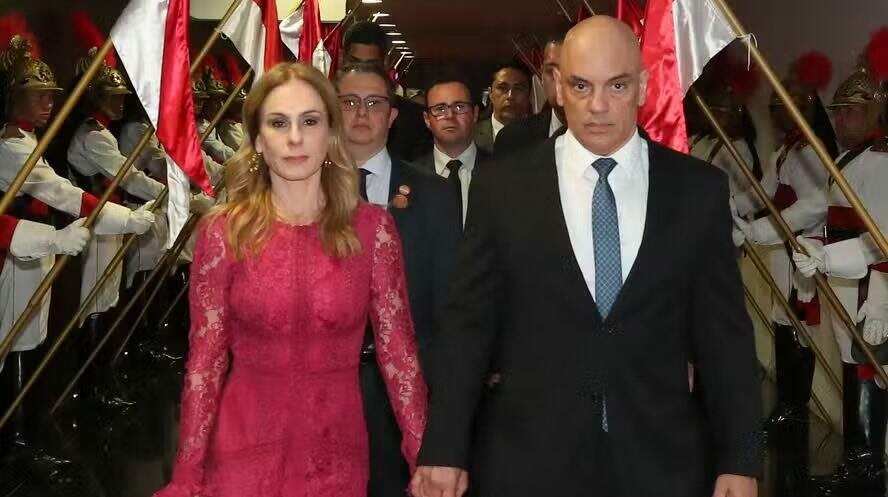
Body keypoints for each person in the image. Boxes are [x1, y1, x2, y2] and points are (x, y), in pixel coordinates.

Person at [412, 17, 761, 497]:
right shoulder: (504, 188)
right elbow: (468, 325)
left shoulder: (696, 191)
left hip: (660, 461)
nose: (598, 106)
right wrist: (444, 447)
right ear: (558, 86)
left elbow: (725, 337)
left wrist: (741, 459)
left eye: (617, 85)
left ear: (643, 86)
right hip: (531, 459)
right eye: (581, 86)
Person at [153, 62, 427, 497]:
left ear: (330, 133)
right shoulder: (224, 233)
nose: (295, 138)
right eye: (279, 123)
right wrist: (188, 473)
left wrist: (423, 457)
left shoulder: (372, 231)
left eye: (310, 121)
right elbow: (205, 362)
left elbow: (399, 355)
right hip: (241, 455)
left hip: (336, 459)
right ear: (259, 139)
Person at [337, 61, 460, 497]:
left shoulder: (435, 193)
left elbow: (449, 302)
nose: (361, 113)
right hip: (328, 385)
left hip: (410, 386)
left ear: (392, 116)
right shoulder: (304, 192)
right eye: (349, 102)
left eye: (374, 103)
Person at [731, 53, 837, 497]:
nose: (778, 114)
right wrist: (736, 206)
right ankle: (788, 403)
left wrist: (761, 229)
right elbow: (765, 191)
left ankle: (797, 402)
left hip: (803, 248)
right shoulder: (786, 150)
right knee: (780, 320)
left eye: (785, 106)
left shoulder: (813, 150)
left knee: (799, 327)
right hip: (780, 247)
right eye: (774, 107)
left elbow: (812, 207)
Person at [792, 33, 888, 495]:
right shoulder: (850, 158)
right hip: (844, 279)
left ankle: (866, 466)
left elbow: (881, 241)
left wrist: (829, 256)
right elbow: (824, 214)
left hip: (870, 287)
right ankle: (856, 459)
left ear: (873, 112)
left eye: (850, 111)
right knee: (852, 367)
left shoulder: (881, 161)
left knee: (865, 371)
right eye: (838, 111)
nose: (841, 119)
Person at [342, 20, 432, 162]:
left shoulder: (414, 121)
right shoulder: (323, 110)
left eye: (371, 65)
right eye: (355, 63)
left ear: (385, 63)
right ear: (342, 59)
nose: (362, 72)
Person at [414, 74, 488, 224]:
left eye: (459, 107)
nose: (450, 116)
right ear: (427, 119)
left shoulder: (503, 172)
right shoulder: (409, 178)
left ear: (475, 114)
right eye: (440, 109)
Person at [494, 27, 569, 156]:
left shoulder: (606, 136)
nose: (560, 80)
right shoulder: (511, 139)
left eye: (569, 69)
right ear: (541, 75)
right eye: (551, 71)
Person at [474, 62, 532, 154]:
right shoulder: (469, 136)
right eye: (502, 88)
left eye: (518, 89)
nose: (510, 96)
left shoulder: (542, 137)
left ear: (529, 95)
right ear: (490, 93)